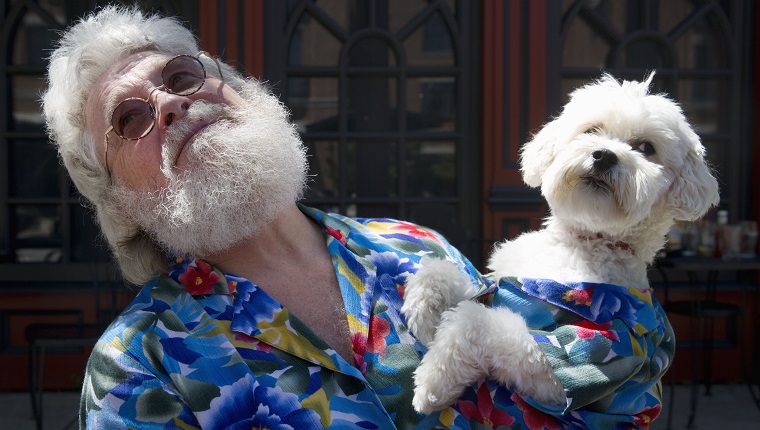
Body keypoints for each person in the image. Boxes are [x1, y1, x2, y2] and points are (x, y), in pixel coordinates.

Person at [44, 6, 672, 430]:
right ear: (121, 200)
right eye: (130, 120)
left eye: (182, 76)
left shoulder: (415, 250)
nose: (172, 104)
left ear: (243, 92)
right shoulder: (137, 364)